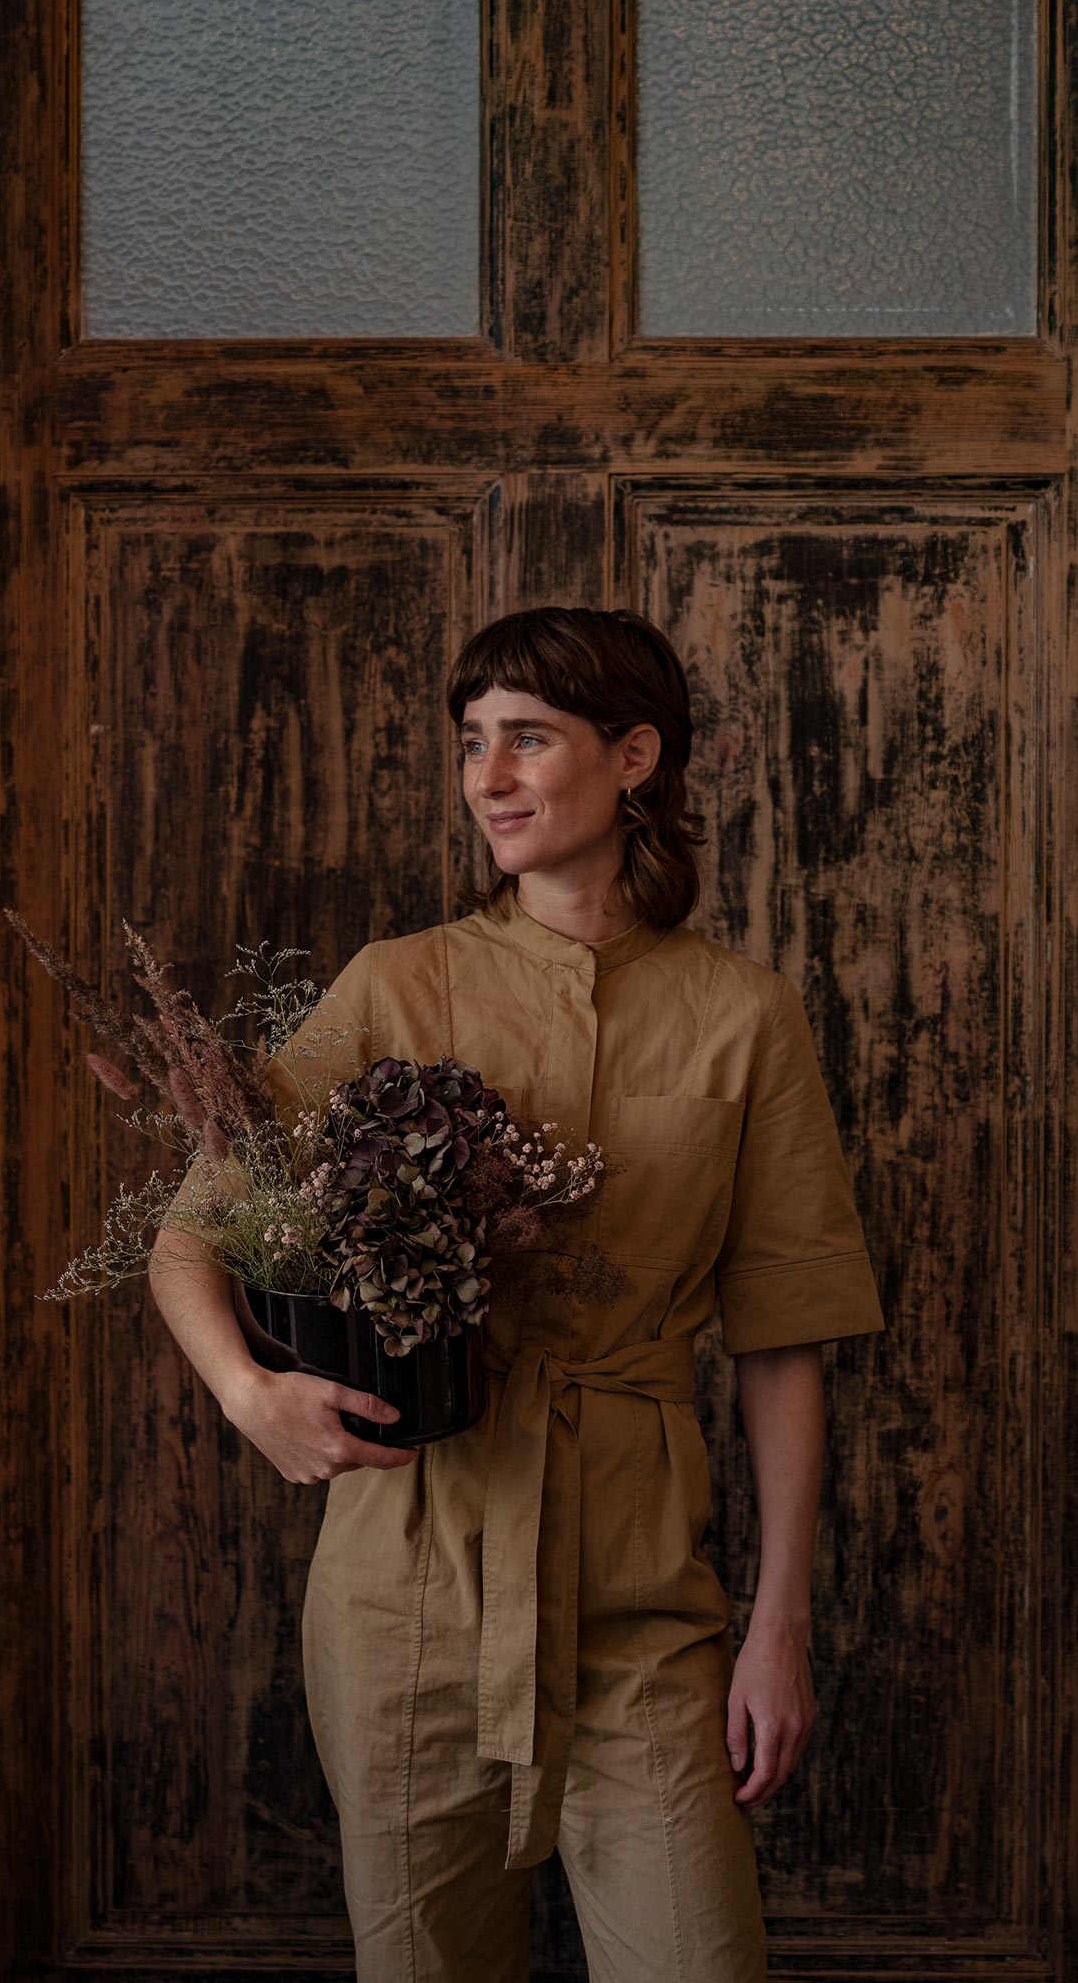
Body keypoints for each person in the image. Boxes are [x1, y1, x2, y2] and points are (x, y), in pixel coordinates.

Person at [150, 605, 886, 1983]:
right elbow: (188, 1230)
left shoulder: (742, 1015)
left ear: (633, 757)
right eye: (471, 741)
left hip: (642, 1591)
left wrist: (775, 1627)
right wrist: (252, 1396)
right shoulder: (393, 985)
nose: (487, 774)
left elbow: (782, 1341)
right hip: (405, 1584)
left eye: (526, 739)